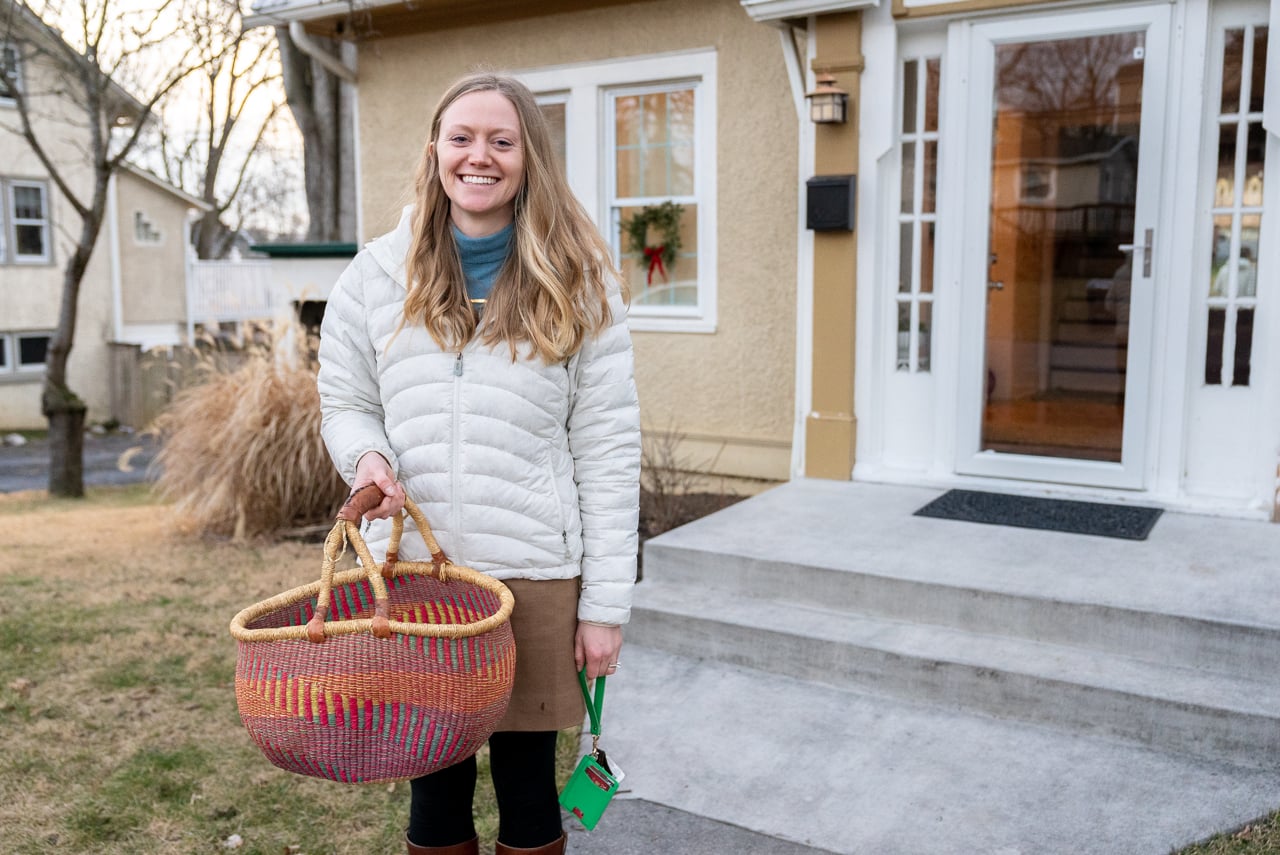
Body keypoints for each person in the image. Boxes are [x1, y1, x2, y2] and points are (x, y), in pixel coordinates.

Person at [316, 71, 641, 855]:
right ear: (435, 152)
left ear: (529, 157)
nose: (479, 156)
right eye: (462, 138)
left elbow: (606, 447)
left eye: (502, 140)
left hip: (533, 570)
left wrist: (605, 607)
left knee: (528, 783)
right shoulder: (375, 275)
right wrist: (369, 460)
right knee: (436, 779)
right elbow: (346, 399)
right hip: (423, 573)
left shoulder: (581, 279)